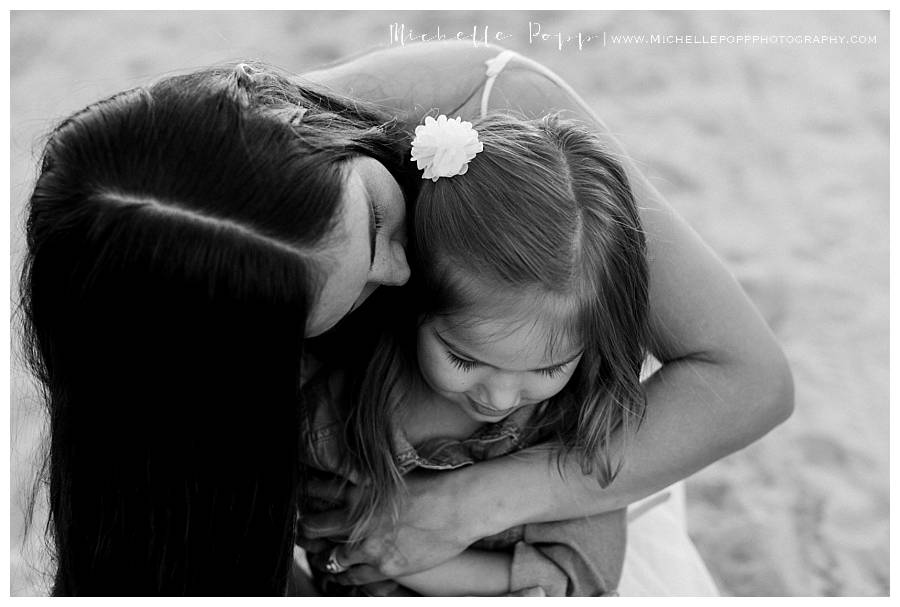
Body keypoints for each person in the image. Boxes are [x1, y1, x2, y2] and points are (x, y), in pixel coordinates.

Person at [18, 42, 793, 595]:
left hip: (545, 488)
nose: (400, 273)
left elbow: (747, 379)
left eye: (379, 220)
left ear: (313, 133)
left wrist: (462, 508)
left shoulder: (491, 118)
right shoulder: (187, 339)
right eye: (353, 297)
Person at [19, 63, 417, 595]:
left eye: (372, 217)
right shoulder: (173, 422)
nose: (401, 273)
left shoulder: (487, 107)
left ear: (295, 122)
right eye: (341, 308)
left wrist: (479, 502)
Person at [297, 113, 643, 596]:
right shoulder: (330, 405)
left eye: (549, 367)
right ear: (411, 301)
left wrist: (408, 561)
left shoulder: (577, 426)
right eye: (463, 359)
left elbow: (579, 577)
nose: (500, 398)